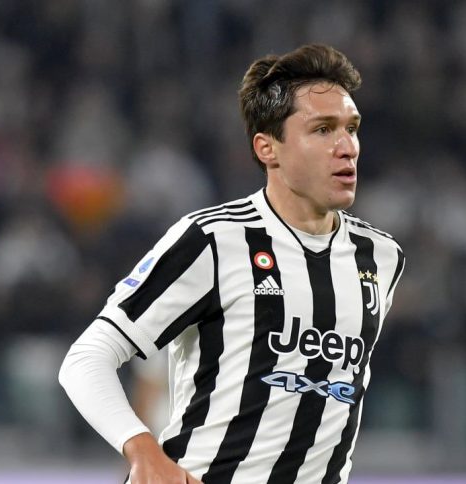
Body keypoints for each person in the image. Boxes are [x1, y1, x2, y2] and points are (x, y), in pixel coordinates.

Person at [58, 44, 405, 484]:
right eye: (322, 129)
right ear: (268, 148)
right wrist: (141, 449)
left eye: (351, 128)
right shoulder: (212, 240)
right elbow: (86, 358)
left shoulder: (380, 256)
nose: (346, 147)